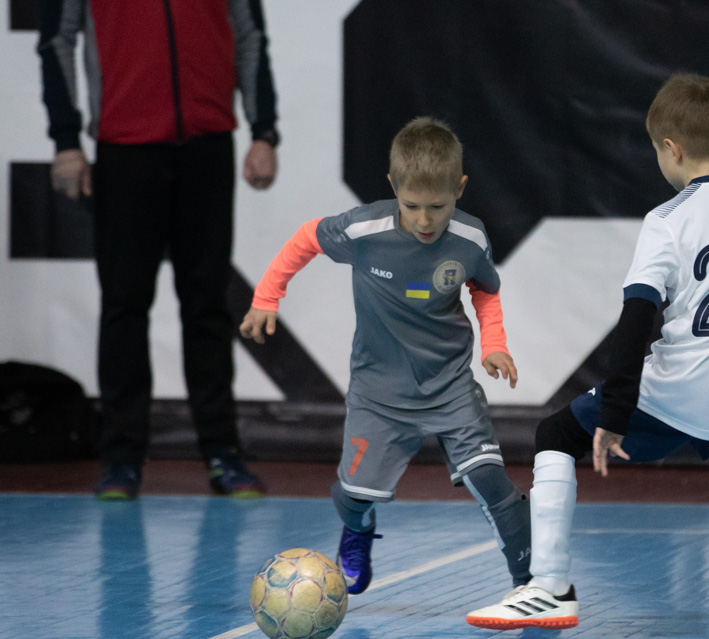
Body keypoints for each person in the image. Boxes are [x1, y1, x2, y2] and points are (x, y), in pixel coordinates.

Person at [466, 73, 709, 638]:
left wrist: (615, 411)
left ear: (672, 150)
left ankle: (549, 588)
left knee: (556, 434)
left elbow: (637, 316)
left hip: (686, 384)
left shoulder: (668, 220)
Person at [240, 117, 531, 594]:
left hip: (451, 388)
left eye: (437, 207)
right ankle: (357, 529)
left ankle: (531, 584)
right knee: (355, 495)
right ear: (393, 186)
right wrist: (267, 297)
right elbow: (306, 238)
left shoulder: (471, 238)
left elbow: (484, 289)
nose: (424, 220)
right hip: (378, 394)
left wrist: (494, 343)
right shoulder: (364, 229)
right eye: (412, 206)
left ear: (459, 189)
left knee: (492, 483)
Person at [37, 0, 280, 500]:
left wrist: (264, 130)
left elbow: (249, 34)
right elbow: (57, 40)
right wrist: (65, 139)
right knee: (124, 305)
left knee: (207, 305)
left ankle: (223, 453)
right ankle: (121, 459)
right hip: (124, 148)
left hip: (208, 145)